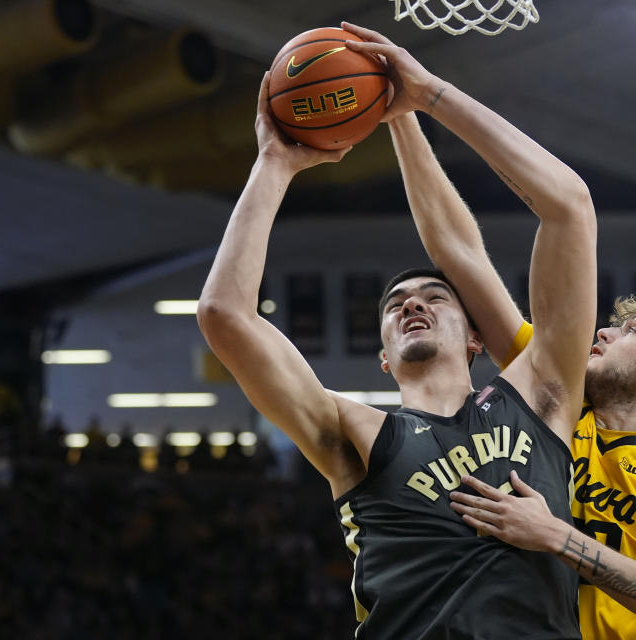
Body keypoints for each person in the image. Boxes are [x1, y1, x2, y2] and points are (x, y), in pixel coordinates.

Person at [197, 22, 597, 640]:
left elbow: (569, 206)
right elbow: (225, 316)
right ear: (385, 357)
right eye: (396, 305)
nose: (413, 304)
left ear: (475, 339)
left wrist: (427, 97)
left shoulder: (541, 395)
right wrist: (274, 163)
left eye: (435, 296)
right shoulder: (353, 433)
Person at [391, 98, 636, 639]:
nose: (604, 332)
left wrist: (555, 536)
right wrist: (401, 116)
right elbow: (458, 254)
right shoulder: (556, 396)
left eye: (631, 332)